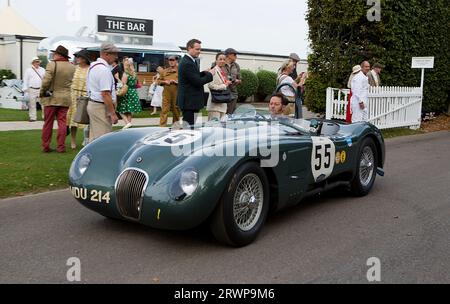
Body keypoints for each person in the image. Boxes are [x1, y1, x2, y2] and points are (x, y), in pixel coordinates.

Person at [39, 45, 76, 153]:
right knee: (63, 123)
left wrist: (41, 92)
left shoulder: (52, 64)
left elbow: (46, 81)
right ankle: (61, 146)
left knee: (48, 123)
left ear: (58, 54)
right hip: (65, 98)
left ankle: (46, 146)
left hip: (51, 97)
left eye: (55, 53)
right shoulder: (72, 66)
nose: (53, 55)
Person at [86, 43, 120, 142]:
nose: (116, 57)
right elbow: (105, 94)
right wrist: (112, 113)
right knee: (103, 139)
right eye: (114, 54)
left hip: (94, 104)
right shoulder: (103, 70)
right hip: (100, 107)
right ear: (106, 54)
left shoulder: (93, 66)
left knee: (94, 138)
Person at [177, 39, 213, 126]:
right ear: (189, 48)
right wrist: (210, 75)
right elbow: (198, 82)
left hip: (191, 102)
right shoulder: (187, 63)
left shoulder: (191, 61)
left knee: (191, 126)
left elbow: (193, 77)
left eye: (200, 49)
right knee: (188, 127)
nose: (199, 51)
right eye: (197, 49)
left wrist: (204, 72)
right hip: (189, 102)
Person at [67, 50, 90, 150]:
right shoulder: (74, 69)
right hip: (74, 95)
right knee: (74, 120)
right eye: (76, 57)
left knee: (87, 119)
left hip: (85, 95)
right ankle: (73, 140)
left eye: (79, 57)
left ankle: (86, 139)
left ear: (84, 59)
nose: (77, 59)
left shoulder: (90, 69)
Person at [117, 58, 142, 129]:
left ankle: (127, 123)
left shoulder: (125, 74)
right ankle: (129, 125)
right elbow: (136, 83)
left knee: (120, 110)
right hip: (133, 92)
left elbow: (122, 84)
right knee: (129, 110)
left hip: (127, 92)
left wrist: (117, 79)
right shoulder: (134, 73)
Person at [157, 57, 181, 127]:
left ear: (176, 61)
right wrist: (165, 82)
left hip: (177, 93)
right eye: (170, 60)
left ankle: (175, 127)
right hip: (166, 93)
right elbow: (158, 81)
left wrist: (176, 82)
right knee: (164, 110)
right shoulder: (164, 71)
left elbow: (185, 81)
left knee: (176, 110)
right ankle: (162, 127)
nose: (171, 62)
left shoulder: (180, 71)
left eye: (173, 60)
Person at [207, 53, 232, 121]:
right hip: (215, 105)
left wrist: (227, 82)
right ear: (216, 60)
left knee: (220, 128)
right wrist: (225, 85)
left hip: (222, 104)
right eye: (220, 59)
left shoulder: (222, 71)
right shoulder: (213, 70)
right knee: (213, 127)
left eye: (224, 59)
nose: (222, 61)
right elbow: (210, 85)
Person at [23, 57, 45, 122]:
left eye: (38, 61)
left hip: (41, 89)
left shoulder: (43, 69)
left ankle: (45, 117)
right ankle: (33, 117)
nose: (37, 63)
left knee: (43, 104)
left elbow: (45, 79)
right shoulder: (28, 70)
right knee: (32, 104)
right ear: (33, 63)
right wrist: (25, 88)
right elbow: (25, 80)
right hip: (31, 89)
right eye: (36, 61)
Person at [224, 48, 242, 115]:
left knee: (231, 115)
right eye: (234, 54)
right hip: (222, 93)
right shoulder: (219, 63)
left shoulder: (236, 65)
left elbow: (240, 79)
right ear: (229, 55)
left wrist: (238, 81)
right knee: (222, 114)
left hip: (233, 93)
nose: (236, 56)